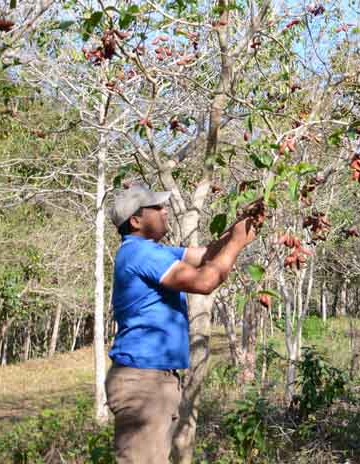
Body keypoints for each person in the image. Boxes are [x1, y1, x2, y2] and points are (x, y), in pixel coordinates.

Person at [105, 183, 266, 464]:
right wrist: (237, 242)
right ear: (135, 220)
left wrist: (238, 227)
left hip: (153, 379)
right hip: (144, 383)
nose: (165, 210)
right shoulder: (141, 254)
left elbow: (208, 254)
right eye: (157, 207)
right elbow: (204, 281)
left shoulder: (154, 251)